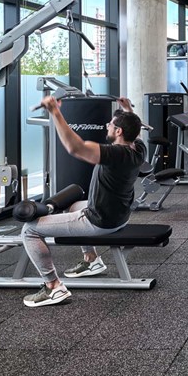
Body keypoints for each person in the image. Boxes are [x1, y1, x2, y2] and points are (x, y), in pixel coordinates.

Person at [20, 96, 146, 307]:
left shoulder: (115, 154)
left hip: (99, 220)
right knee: (72, 205)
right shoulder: (138, 149)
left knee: (29, 230)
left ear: (118, 132)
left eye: (111, 125)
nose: (107, 125)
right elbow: (136, 129)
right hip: (119, 215)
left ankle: (53, 287)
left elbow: (75, 148)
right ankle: (91, 259)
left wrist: (55, 112)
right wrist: (127, 109)